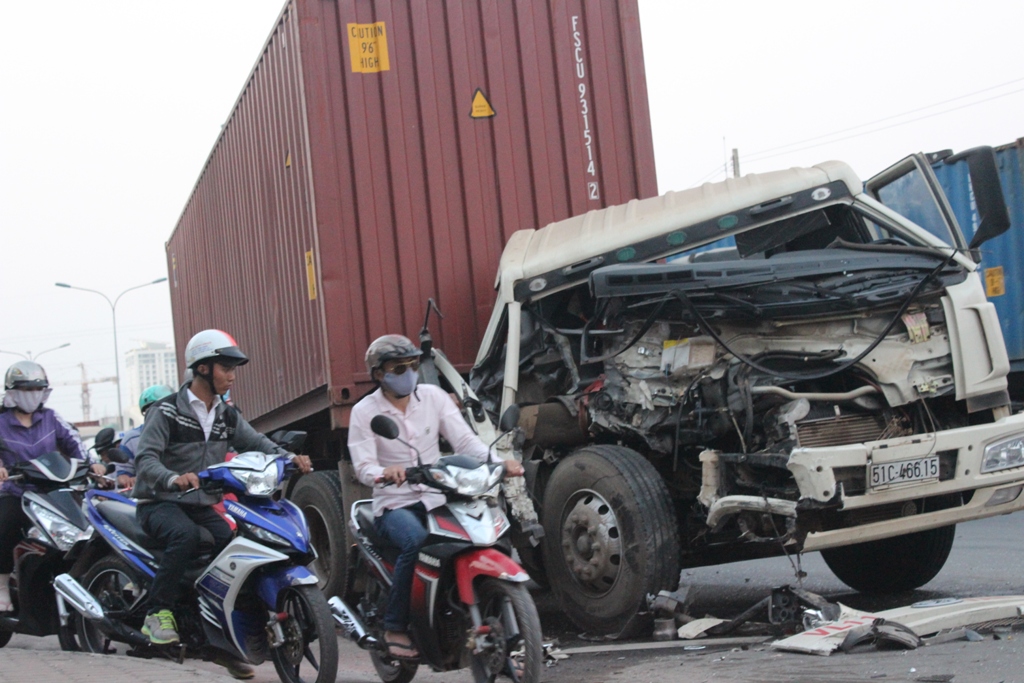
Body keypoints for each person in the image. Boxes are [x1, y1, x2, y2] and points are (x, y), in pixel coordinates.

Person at [133, 330, 311, 679]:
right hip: (160, 503)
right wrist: (172, 477)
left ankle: (220, 640)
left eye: (233, 369)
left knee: (233, 550)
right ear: (203, 368)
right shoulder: (165, 411)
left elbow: (256, 443)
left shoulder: (225, 415)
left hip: (200, 504)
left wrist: (289, 458)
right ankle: (157, 613)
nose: (232, 376)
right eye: (226, 368)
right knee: (184, 535)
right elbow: (146, 459)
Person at [348, 335, 524, 661]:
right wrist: (385, 472)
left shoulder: (433, 397)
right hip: (395, 503)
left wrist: (498, 464)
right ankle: (395, 626)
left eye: (413, 365)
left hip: (438, 495)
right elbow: (362, 466)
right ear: (379, 374)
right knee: (415, 542)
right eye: (399, 368)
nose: (409, 373)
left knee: (482, 533)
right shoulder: (364, 411)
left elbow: (465, 442)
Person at [0, 361, 105, 611]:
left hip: (53, 494)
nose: (32, 394)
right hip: (16, 493)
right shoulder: (1, 422)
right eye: (26, 389)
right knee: (5, 525)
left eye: (37, 389)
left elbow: (74, 443)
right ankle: (2, 583)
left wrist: (92, 464)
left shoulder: (51, 418)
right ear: (12, 392)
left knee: (85, 531)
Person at [116, 385, 174, 489]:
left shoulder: (187, 432)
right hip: (148, 495)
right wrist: (128, 479)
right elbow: (123, 475)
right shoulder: (131, 439)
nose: (158, 414)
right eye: (152, 409)